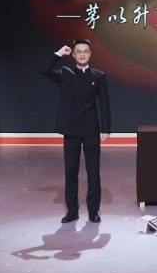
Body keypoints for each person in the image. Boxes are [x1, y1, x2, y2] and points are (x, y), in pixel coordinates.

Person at [41, 38, 111, 223]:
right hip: (71, 130)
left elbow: (104, 104)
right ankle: (72, 211)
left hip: (91, 130)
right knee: (70, 172)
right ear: (73, 55)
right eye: (78, 51)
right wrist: (58, 54)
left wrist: (106, 129)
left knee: (93, 171)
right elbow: (45, 71)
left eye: (85, 51)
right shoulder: (65, 74)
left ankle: (93, 210)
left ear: (90, 54)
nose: (82, 54)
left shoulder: (98, 76)